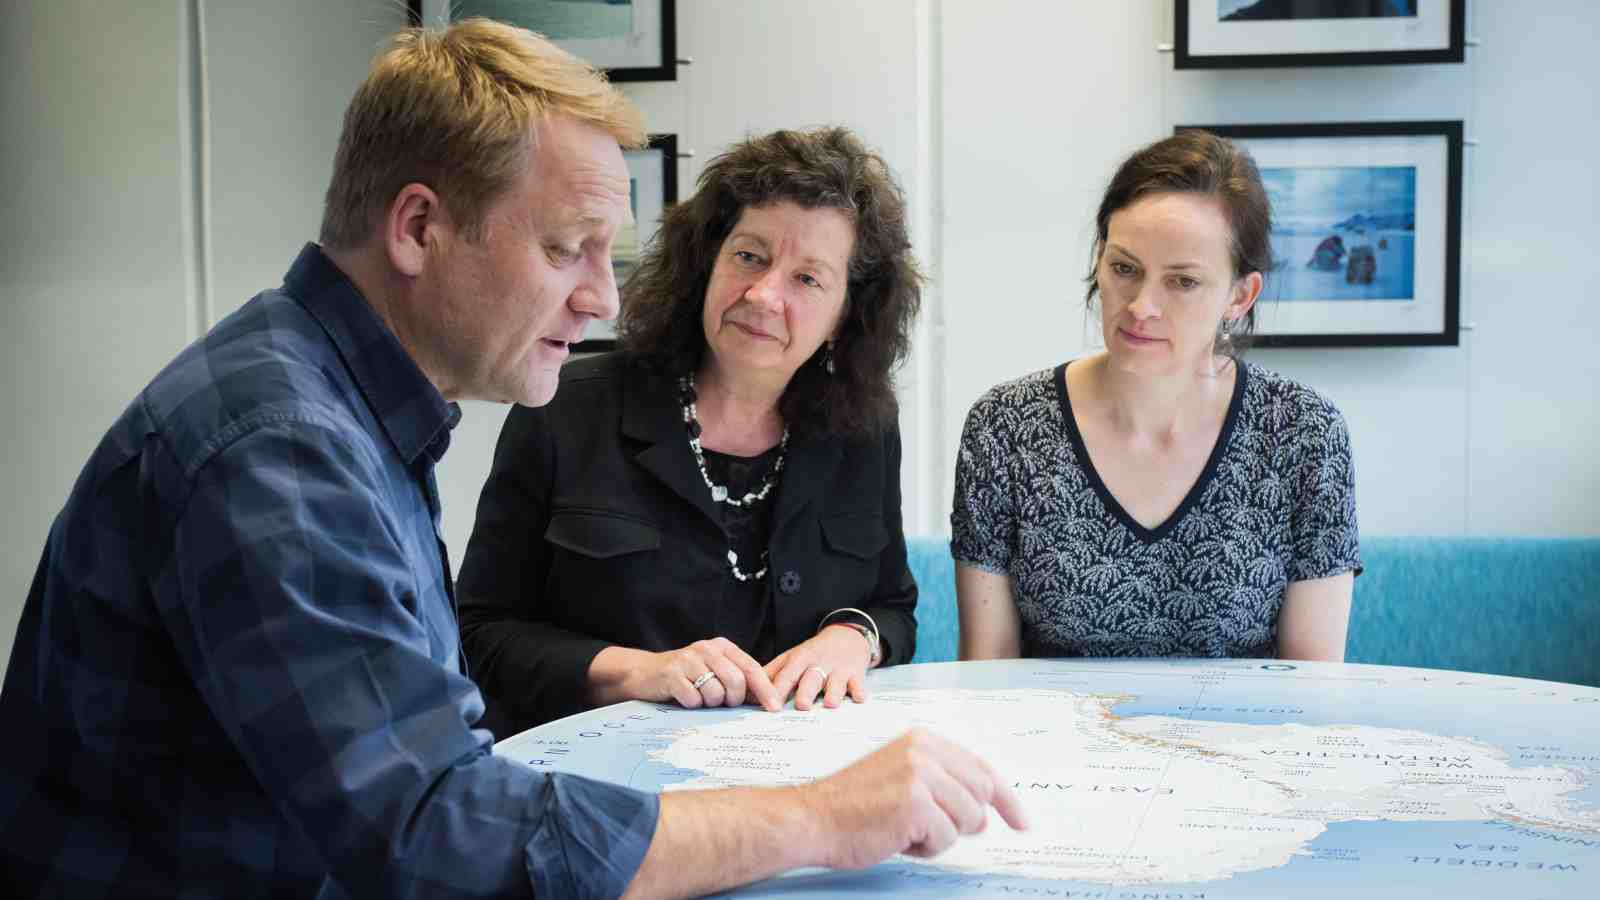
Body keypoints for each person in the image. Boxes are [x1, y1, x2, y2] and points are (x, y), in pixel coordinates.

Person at [0, 20, 1023, 898]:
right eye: (565, 248)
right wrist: (821, 818)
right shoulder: (279, 451)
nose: (600, 298)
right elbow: (439, 837)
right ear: (418, 228)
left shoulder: (333, 405)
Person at [458, 127, 923, 736]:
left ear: (845, 317)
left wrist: (850, 639)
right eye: (749, 256)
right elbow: (479, 636)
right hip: (601, 773)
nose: (763, 294)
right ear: (707, 262)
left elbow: (893, 607)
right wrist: (638, 672)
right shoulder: (568, 408)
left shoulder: (864, 427)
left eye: (808, 279)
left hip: (802, 767)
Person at [953, 130, 1360, 663]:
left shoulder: (1304, 432)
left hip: (1245, 744)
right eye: (1124, 268)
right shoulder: (1005, 428)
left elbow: (1312, 686)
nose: (1141, 306)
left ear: (1241, 295)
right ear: (1099, 259)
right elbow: (988, 675)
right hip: (1050, 744)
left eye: (1182, 282)